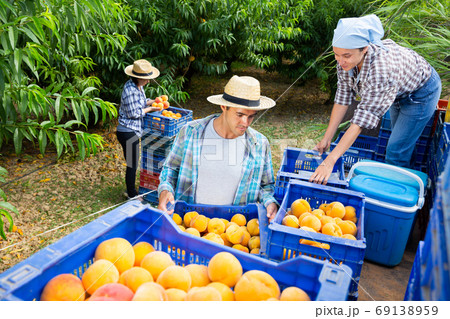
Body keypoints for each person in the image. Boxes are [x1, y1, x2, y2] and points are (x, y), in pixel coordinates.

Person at [310, 14, 442, 184]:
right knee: (402, 144)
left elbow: (360, 121)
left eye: (346, 56)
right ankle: (409, 179)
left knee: (396, 150)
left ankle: (398, 197)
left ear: (364, 48)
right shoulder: (345, 58)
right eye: (336, 54)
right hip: (397, 93)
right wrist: (327, 138)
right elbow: (343, 97)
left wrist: (330, 161)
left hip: (421, 93)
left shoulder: (381, 71)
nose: (340, 61)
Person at [157, 75, 279, 221]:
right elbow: (170, 168)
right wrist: (165, 189)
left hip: (232, 232)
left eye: (251, 116)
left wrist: (270, 202)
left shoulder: (259, 144)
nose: (245, 123)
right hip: (189, 226)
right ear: (223, 107)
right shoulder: (190, 132)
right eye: (239, 114)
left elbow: (266, 186)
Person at [116, 59, 161, 199]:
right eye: (145, 79)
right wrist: (151, 109)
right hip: (127, 131)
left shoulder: (138, 87)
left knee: (133, 162)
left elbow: (141, 103)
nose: (148, 81)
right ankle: (131, 194)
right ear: (137, 77)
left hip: (133, 131)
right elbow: (134, 113)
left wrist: (153, 102)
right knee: (132, 164)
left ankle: (131, 191)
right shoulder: (130, 90)